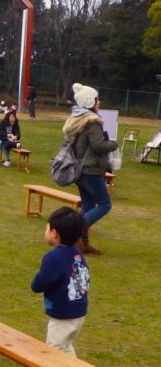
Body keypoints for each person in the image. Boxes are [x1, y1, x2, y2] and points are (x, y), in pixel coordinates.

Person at [30, 207, 90, 367]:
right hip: (78, 311)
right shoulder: (78, 254)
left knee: (53, 348)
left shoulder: (53, 257)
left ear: (54, 233)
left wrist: (37, 282)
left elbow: (39, 284)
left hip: (63, 313)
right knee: (66, 344)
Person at [63, 83, 118, 254]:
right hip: (91, 171)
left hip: (80, 170)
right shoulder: (92, 122)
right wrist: (114, 143)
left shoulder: (78, 119)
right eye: (96, 99)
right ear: (90, 102)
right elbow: (99, 145)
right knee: (104, 204)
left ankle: (83, 244)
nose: (99, 102)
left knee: (88, 205)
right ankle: (75, 233)